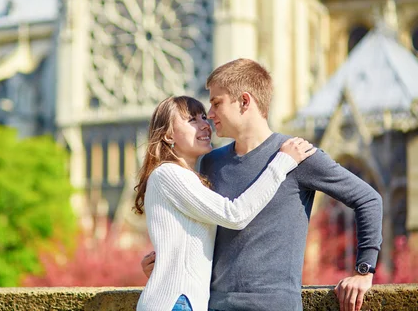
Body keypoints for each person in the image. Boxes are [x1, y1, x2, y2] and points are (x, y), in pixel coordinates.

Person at [141, 59, 383, 311]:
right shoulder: (211, 162)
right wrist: (168, 262)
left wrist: (364, 271)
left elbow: (368, 199)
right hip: (214, 306)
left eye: (216, 103)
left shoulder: (298, 155)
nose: (210, 116)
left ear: (245, 101)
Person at [134, 95, 316, 311]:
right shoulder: (169, 173)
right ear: (167, 134)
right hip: (178, 303)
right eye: (192, 120)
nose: (205, 125)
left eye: (203, 117)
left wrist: (165, 264)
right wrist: (282, 163)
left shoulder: (185, 177)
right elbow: (234, 215)